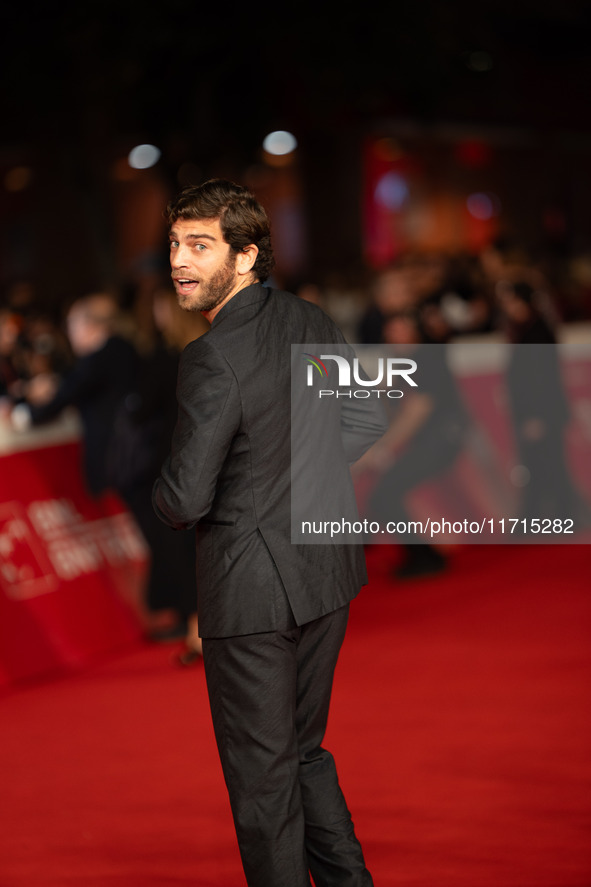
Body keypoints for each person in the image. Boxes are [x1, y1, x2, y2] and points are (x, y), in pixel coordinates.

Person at [152, 179, 385, 887]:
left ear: (246, 255)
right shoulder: (310, 319)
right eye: (173, 245)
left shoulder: (211, 355)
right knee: (302, 751)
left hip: (250, 591)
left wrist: (159, 489)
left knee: (263, 781)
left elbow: (184, 497)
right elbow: (365, 422)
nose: (179, 262)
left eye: (199, 246)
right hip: (325, 570)